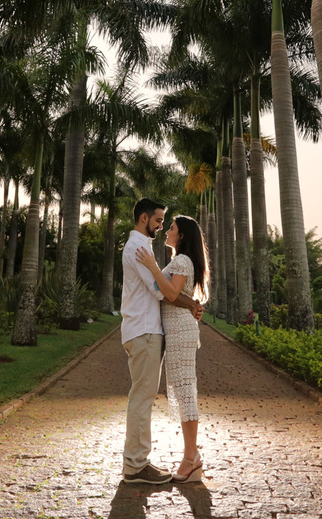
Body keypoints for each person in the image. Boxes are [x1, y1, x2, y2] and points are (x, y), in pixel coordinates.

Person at [120, 198, 204, 485]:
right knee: (143, 397)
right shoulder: (139, 248)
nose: (162, 227)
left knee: (152, 395)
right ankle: (136, 465)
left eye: (167, 225)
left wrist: (190, 303)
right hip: (144, 331)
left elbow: (167, 289)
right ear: (144, 218)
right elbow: (161, 291)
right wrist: (191, 303)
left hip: (149, 330)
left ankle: (144, 461)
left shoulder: (144, 247)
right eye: (158, 221)